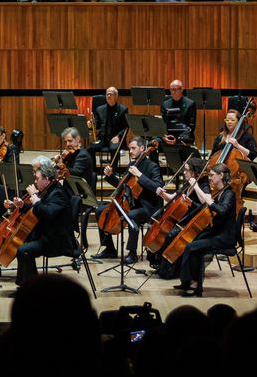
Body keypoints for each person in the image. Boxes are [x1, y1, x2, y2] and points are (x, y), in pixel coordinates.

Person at [4, 157, 78, 285]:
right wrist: (23, 205)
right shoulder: (48, 190)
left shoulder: (57, 193)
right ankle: (30, 283)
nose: (35, 181)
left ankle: (27, 286)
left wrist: (35, 198)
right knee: (21, 242)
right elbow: (38, 212)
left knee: (23, 250)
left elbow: (48, 213)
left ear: (47, 179)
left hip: (57, 240)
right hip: (46, 234)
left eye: (37, 179)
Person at [91, 137, 163, 264]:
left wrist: (140, 175)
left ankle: (132, 253)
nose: (130, 151)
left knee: (131, 216)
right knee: (100, 210)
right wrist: (110, 176)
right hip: (130, 203)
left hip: (148, 206)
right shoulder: (131, 165)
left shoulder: (153, 166)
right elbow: (122, 186)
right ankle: (109, 249)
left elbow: (158, 188)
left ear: (142, 148)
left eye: (133, 148)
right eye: (129, 148)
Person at [174, 163, 237, 297]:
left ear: (221, 176)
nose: (210, 178)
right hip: (216, 232)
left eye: (213, 175)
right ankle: (191, 281)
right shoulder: (220, 192)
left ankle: (193, 283)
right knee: (192, 243)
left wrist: (205, 197)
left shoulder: (229, 193)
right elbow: (209, 209)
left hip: (224, 237)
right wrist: (193, 203)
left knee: (192, 247)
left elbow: (222, 210)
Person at [91, 86, 128, 153]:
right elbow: (97, 125)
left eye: (110, 94)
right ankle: (93, 164)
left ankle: (113, 164)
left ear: (116, 96)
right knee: (90, 148)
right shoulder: (99, 109)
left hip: (115, 138)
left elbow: (126, 127)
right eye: (107, 94)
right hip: (102, 139)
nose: (108, 96)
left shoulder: (123, 110)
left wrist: (118, 136)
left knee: (114, 149)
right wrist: (91, 125)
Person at [161, 79, 196, 145]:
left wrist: (177, 139)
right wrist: (164, 137)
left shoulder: (190, 104)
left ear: (181, 90)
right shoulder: (165, 104)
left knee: (183, 140)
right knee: (153, 143)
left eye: (176, 89)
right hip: (168, 134)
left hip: (184, 134)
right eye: (172, 89)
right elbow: (163, 123)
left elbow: (191, 126)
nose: (173, 92)